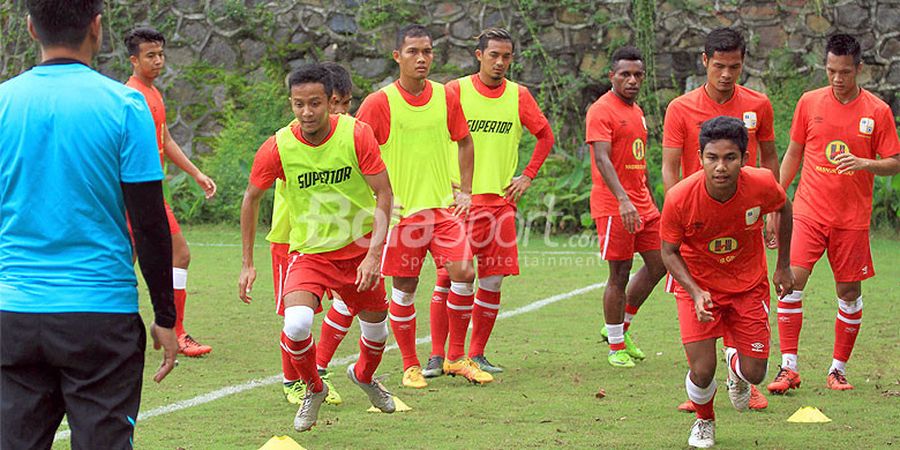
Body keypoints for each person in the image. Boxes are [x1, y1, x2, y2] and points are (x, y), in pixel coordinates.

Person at [1, 1, 177, 448]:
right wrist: (165, 315)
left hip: (13, 313)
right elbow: (149, 222)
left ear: (30, 28)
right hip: (99, 315)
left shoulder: (3, 103)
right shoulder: (124, 105)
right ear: (97, 28)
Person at [239, 64, 396, 432]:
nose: (306, 112)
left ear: (331, 102)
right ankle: (314, 387)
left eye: (314, 103)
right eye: (298, 104)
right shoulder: (278, 145)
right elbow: (251, 199)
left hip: (358, 251)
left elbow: (384, 193)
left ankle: (364, 376)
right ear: (290, 103)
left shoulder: (357, 135)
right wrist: (247, 263)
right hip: (310, 254)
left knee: (376, 333)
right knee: (296, 325)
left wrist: (374, 253)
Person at [356, 24, 490, 388]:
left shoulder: (445, 96)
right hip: (403, 217)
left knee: (464, 272)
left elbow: (465, 141)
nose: (421, 58)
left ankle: (457, 358)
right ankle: (410, 366)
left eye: (427, 51)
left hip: (443, 211)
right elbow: (355, 153)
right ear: (397, 56)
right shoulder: (380, 102)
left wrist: (466, 191)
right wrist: (375, 201)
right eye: (413, 51)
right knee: (405, 289)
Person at [768, 33, 900, 394]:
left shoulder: (877, 111)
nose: (837, 79)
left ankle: (837, 369)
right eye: (831, 71)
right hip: (808, 211)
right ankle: (788, 367)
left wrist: (864, 163)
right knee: (790, 282)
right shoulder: (810, 103)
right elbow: (793, 153)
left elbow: (895, 163)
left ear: (859, 69)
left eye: (844, 72)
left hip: (851, 219)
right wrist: (774, 201)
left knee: (848, 291)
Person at [422, 28, 554, 377]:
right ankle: (438, 356)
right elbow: (430, 135)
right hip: (459, 204)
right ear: (478, 55)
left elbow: (545, 135)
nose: (500, 62)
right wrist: (440, 181)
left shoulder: (518, 95)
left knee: (492, 281)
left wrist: (527, 175)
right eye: (493, 55)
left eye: (506, 56)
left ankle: (476, 354)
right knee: (447, 279)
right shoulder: (455, 91)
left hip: (499, 205)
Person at [660, 116, 794, 448]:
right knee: (703, 370)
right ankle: (704, 421)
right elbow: (669, 251)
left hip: (748, 285)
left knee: (756, 372)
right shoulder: (680, 198)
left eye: (730, 158)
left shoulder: (761, 183)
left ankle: (736, 370)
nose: (721, 167)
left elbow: (784, 207)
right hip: (699, 286)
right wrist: (694, 291)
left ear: (745, 159)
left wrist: (783, 266)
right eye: (712, 158)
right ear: (700, 157)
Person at [662, 27, 776, 410]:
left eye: (735, 66)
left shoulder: (759, 105)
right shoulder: (681, 108)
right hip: (697, 223)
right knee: (701, 308)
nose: (727, 74)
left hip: (743, 218)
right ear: (705, 61)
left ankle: (740, 371)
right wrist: (677, 211)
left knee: (741, 292)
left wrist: (773, 211)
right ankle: (705, 385)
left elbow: (770, 158)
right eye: (720, 66)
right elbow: (671, 166)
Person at [124, 27, 217, 357]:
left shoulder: (153, 93)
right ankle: (173, 332)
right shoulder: (133, 97)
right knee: (168, 255)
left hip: (147, 195)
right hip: (137, 196)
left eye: (161, 54)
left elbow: (164, 140)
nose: (158, 60)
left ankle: (164, 330)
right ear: (133, 60)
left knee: (124, 264)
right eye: (150, 55)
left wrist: (195, 173)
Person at [269, 62, 355, 406]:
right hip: (294, 240)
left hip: (339, 238)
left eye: (348, 104)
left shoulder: (346, 134)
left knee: (349, 302)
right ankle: (293, 380)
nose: (344, 111)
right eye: (338, 103)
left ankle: (318, 368)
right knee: (296, 317)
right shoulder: (291, 139)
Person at [586, 46, 667, 368]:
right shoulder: (601, 110)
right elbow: (602, 158)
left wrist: (645, 196)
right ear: (612, 76)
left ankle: (618, 328)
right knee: (619, 273)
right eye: (625, 75)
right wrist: (623, 200)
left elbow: (637, 161)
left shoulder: (637, 111)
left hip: (643, 204)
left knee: (661, 263)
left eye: (638, 75)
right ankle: (616, 346)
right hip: (614, 206)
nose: (632, 80)